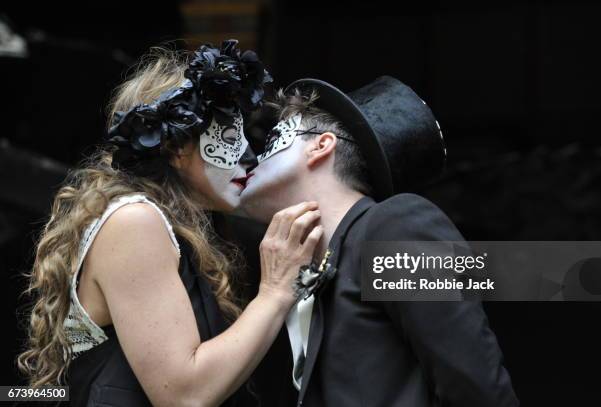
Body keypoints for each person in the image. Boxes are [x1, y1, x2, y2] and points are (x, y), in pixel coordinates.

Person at [17, 41, 324, 406]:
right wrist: (275, 291)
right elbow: (182, 395)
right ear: (177, 149)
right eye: (228, 135)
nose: (248, 154)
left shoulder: (173, 227)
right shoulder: (134, 221)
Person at [240, 76, 520, 406]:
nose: (250, 154)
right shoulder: (306, 269)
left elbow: (479, 391)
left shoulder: (392, 226)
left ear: (321, 145)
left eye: (273, 136)